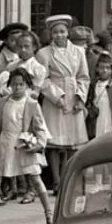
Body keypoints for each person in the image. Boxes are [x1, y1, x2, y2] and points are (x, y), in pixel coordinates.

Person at [0, 68, 53, 224]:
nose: (17, 87)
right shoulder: (4, 102)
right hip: (4, 143)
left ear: (27, 85)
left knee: (35, 178)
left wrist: (39, 144)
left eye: (21, 84)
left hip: (23, 143)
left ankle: (49, 214)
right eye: (14, 84)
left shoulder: (32, 104)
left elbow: (40, 127)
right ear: (9, 85)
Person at [37, 15, 89, 195]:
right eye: (55, 32)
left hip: (73, 96)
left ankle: (69, 178)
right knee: (55, 142)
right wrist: (56, 96)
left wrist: (80, 97)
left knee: (72, 142)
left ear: (68, 33)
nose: (59, 35)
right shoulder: (44, 53)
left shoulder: (78, 52)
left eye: (62, 32)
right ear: (51, 35)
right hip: (55, 98)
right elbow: (42, 79)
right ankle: (56, 180)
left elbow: (84, 77)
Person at [86, 54, 112, 140]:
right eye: (102, 67)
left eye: (107, 68)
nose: (104, 70)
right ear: (97, 69)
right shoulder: (92, 86)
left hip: (110, 118)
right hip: (97, 119)